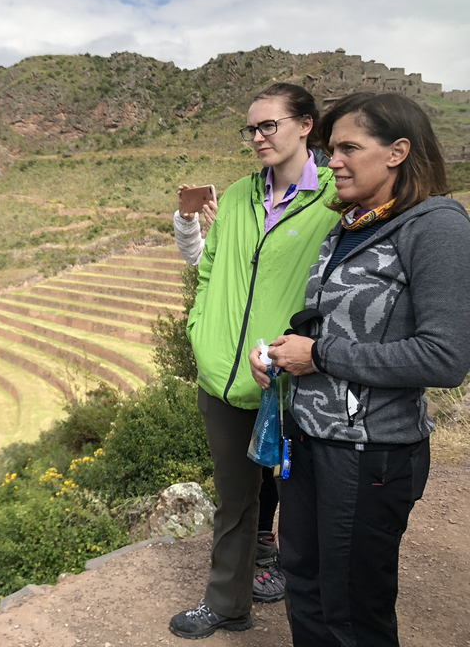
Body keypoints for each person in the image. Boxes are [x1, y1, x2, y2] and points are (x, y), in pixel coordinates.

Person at [249, 92, 470, 646]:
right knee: (305, 585)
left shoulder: (436, 227)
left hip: (369, 454)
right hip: (309, 443)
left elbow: (446, 357)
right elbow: (341, 330)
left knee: (353, 611)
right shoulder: (347, 227)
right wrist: (285, 356)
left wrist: (317, 355)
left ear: (398, 152)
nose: (334, 161)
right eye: (329, 149)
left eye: (348, 147)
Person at [169, 83, 339, 640]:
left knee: (309, 502)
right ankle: (228, 604)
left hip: (296, 378)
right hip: (223, 376)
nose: (258, 137)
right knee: (236, 503)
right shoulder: (241, 194)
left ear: (305, 125)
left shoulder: (338, 195)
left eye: (270, 125)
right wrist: (201, 332)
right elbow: (210, 268)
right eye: (252, 128)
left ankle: (323, 618)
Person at [174, 186, 285, 603]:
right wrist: (187, 222)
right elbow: (202, 260)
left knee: (279, 466)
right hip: (231, 370)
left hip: (275, 366)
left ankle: (270, 554)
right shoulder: (236, 217)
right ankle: (257, 556)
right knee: (253, 465)